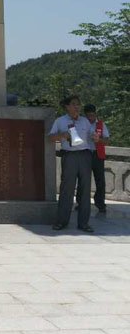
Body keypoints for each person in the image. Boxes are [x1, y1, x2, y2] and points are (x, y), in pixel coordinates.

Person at [48, 94, 98, 232]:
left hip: (85, 155)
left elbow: (92, 135)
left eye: (78, 104)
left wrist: (95, 136)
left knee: (85, 190)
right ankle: (61, 221)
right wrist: (62, 135)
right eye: (74, 104)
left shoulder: (84, 121)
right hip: (69, 156)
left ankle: (83, 223)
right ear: (67, 106)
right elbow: (50, 137)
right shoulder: (60, 121)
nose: (77, 107)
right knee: (67, 189)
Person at [84, 103, 109, 214]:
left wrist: (98, 139)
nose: (90, 116)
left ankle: (100, 204)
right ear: (85, 114)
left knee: (100, 180)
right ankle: (82, 203)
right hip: (84, 154)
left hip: (97, 154)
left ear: (95, 113)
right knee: (84, 180)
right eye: (88, 115)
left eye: (92, 114)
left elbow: (106, 140)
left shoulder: (101, 124)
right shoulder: (81, 124)